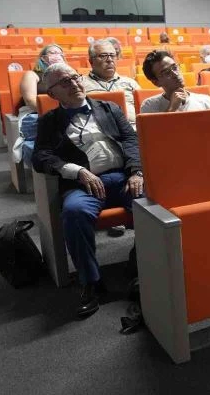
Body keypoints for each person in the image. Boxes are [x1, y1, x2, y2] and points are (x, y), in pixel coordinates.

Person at [32, 63, 143, 317]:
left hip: (122, 178)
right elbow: (40, 156)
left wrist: (137, 171)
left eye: (75, 77)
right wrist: (76, 171)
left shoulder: (109, 108)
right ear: (52, 94)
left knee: (153, 204)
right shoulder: (50, 121)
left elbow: (131, 139)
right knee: (74, 212)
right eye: (65, 82)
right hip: (84, 185)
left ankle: (141, 264)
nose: (74, 84)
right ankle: (90, 281)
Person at [81, 39, 141, 125]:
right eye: (103, 56)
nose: (109, 60)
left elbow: (144, 109)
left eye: (112, 55)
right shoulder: (81, 84)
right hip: (98, 129)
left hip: (133, 127)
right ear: (91, 61)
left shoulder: (130, 83)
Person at [140, 50, 210, 113]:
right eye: (167, 72)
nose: (175, 74)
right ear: (156, 82)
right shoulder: (149, 106)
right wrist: (171, 109)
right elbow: (153, 128)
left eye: (175, 67)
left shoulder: (205, 101)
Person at [22, 44, 64, 111]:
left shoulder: (66, 75)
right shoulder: (31, 75)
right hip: (36, 111)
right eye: (52, 53)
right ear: (43, 58)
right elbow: (30, 101)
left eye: (60, 54)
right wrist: (52, 113)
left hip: (63, 111)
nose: (57, 56)